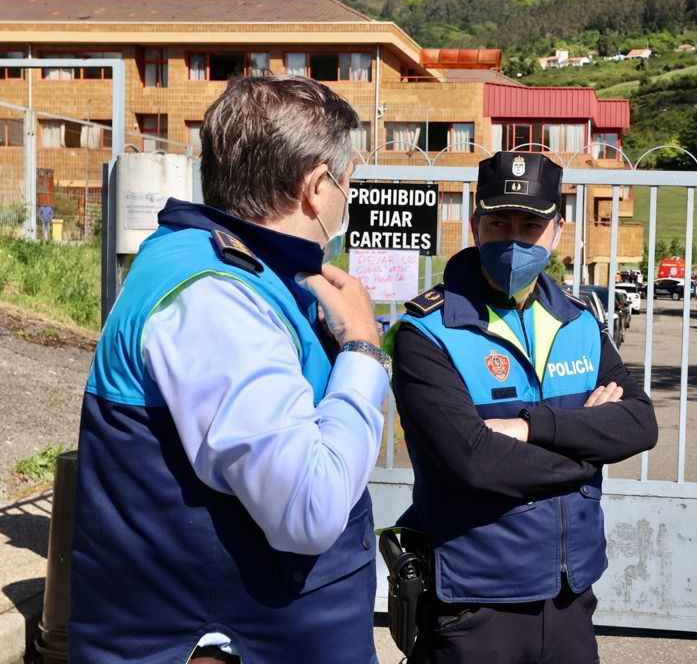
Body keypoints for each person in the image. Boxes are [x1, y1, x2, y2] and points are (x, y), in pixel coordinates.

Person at [69, 75, 390, 663]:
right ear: (317, 188)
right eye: (348, 183)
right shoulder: (217, 296)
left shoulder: (240, 272)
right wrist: (364, 351)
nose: (349, 197)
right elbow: (309, 509)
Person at [389, 151, 658, 663]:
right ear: (475, 226)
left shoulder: (579, 323)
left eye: (531, 224)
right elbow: (474, 462)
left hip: (570, 594)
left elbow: (639, 424)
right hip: (474, 599)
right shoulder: (427, 333)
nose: (515, 240)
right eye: (499, 223)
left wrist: (530, 428)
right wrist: (588, 446)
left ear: (557, 231)